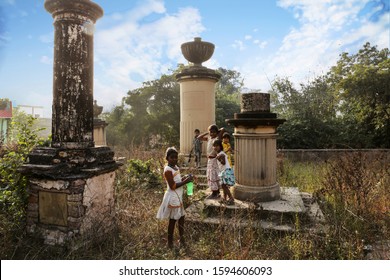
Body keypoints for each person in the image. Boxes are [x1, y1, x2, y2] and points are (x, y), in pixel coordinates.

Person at [156, 147, 193, 249]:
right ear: (167, 158)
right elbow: (173, 186)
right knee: (173, 220)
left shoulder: (176, 167)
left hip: (178, 195)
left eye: (176, 157)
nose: (174, 159)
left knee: (181, 217)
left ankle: (182, 239)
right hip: (172, 197)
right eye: (172, 157)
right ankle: (170, 243)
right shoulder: (167, 169)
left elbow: (178, 180)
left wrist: (185, 178)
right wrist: (186, 181)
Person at [198, 124, 225, 199]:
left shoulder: (217, 139)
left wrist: (218, 131)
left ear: (216, 133)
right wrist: (207, 132)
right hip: (209, 160)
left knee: (213, 175)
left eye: (214, 132)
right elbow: (199, 137)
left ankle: (214, 192)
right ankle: (217, 192)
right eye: (211, 132)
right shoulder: (209, 139)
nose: (212, 133)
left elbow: (223, 129)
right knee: (211, 175)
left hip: (214, 159)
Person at [213, 139, 235, 205]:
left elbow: (223, 162)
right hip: (223, 171)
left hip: (226, 171)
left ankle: (231, 198)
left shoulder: (221, 154)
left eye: (217, 146)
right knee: (224, 185)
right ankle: (224, 198)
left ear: (220, 146)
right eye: (214, 146)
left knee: (224, 186)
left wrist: (219, 159)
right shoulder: (219, 154)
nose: (215, 147)